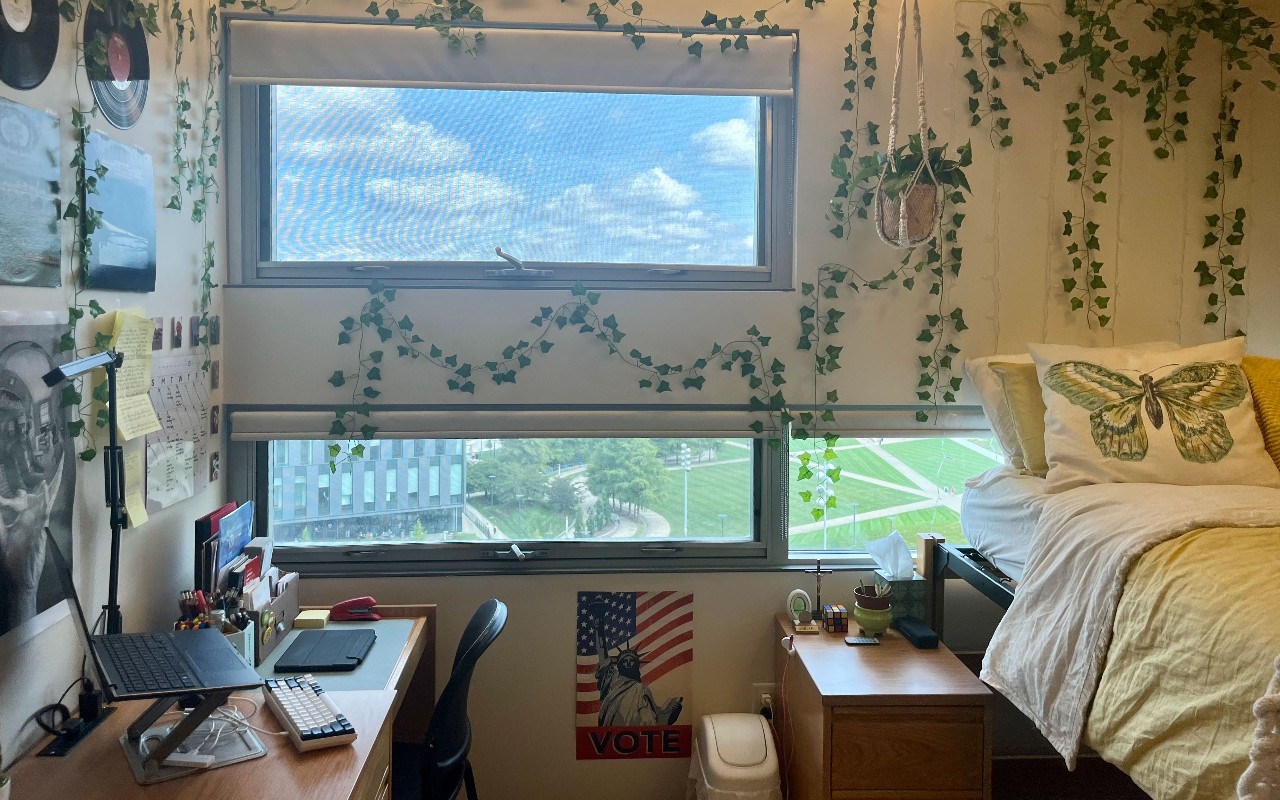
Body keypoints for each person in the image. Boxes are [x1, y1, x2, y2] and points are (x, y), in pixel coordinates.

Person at [590, 613, 682, 727]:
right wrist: (599, 628)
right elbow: (602, 654)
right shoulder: (612, 679)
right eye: (624, 661)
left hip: (640, 736)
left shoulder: (642, 689)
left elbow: (657, 718)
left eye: (632, 660)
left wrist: (671, 711)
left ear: (637, 666)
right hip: (613, 728)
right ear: (619, 666)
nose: (628, 663)